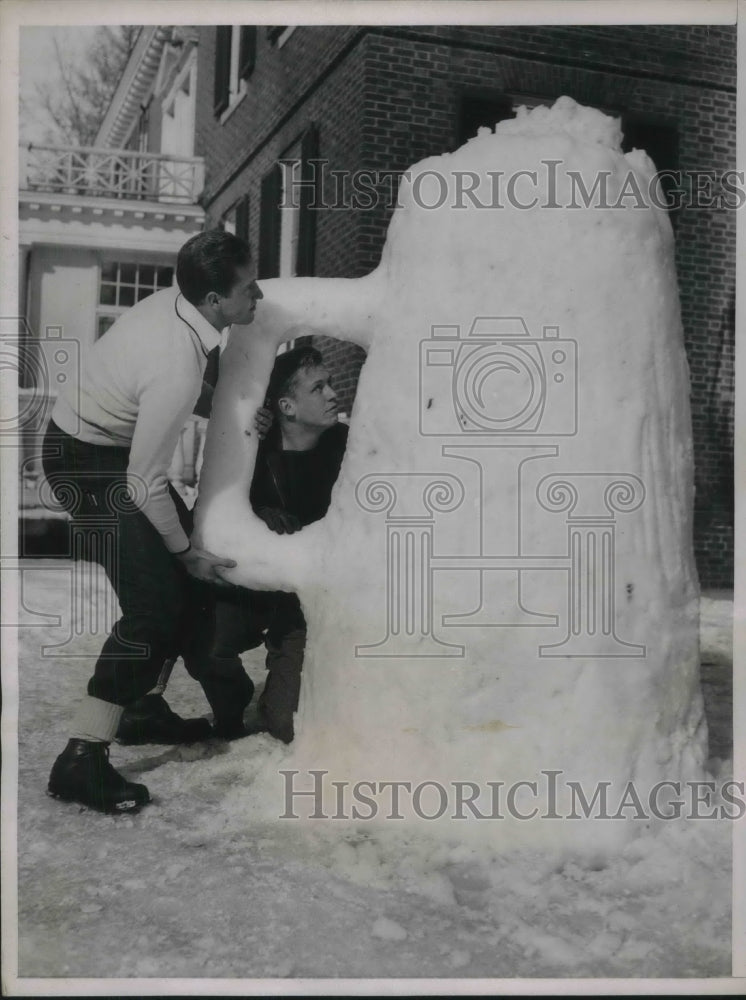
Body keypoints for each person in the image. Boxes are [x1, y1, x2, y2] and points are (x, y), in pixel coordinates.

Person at [43, 230, 263, 813]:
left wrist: (241, 408)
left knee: (177, 588)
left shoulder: (182, 307)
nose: (259, 295)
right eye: (249, 288)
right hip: (85, 463)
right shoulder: (177, 363)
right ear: (214, 300)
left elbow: (164, 403)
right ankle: (81, 757)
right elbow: (145, 481)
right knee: (155, 606)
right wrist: (183, 550)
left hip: (113, 454)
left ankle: (141, 710)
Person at [188, 345, 348, 743]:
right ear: (287, 407)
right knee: (206, 643)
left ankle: (278, 691)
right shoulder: (253, 447)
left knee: (286, 724)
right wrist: (256, 514)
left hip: (305, 598)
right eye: (318, 388)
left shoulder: (348, 446)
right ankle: (232, 701)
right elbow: (216, 512)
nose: (333, 394)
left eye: (330, 384)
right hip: (252, 586)